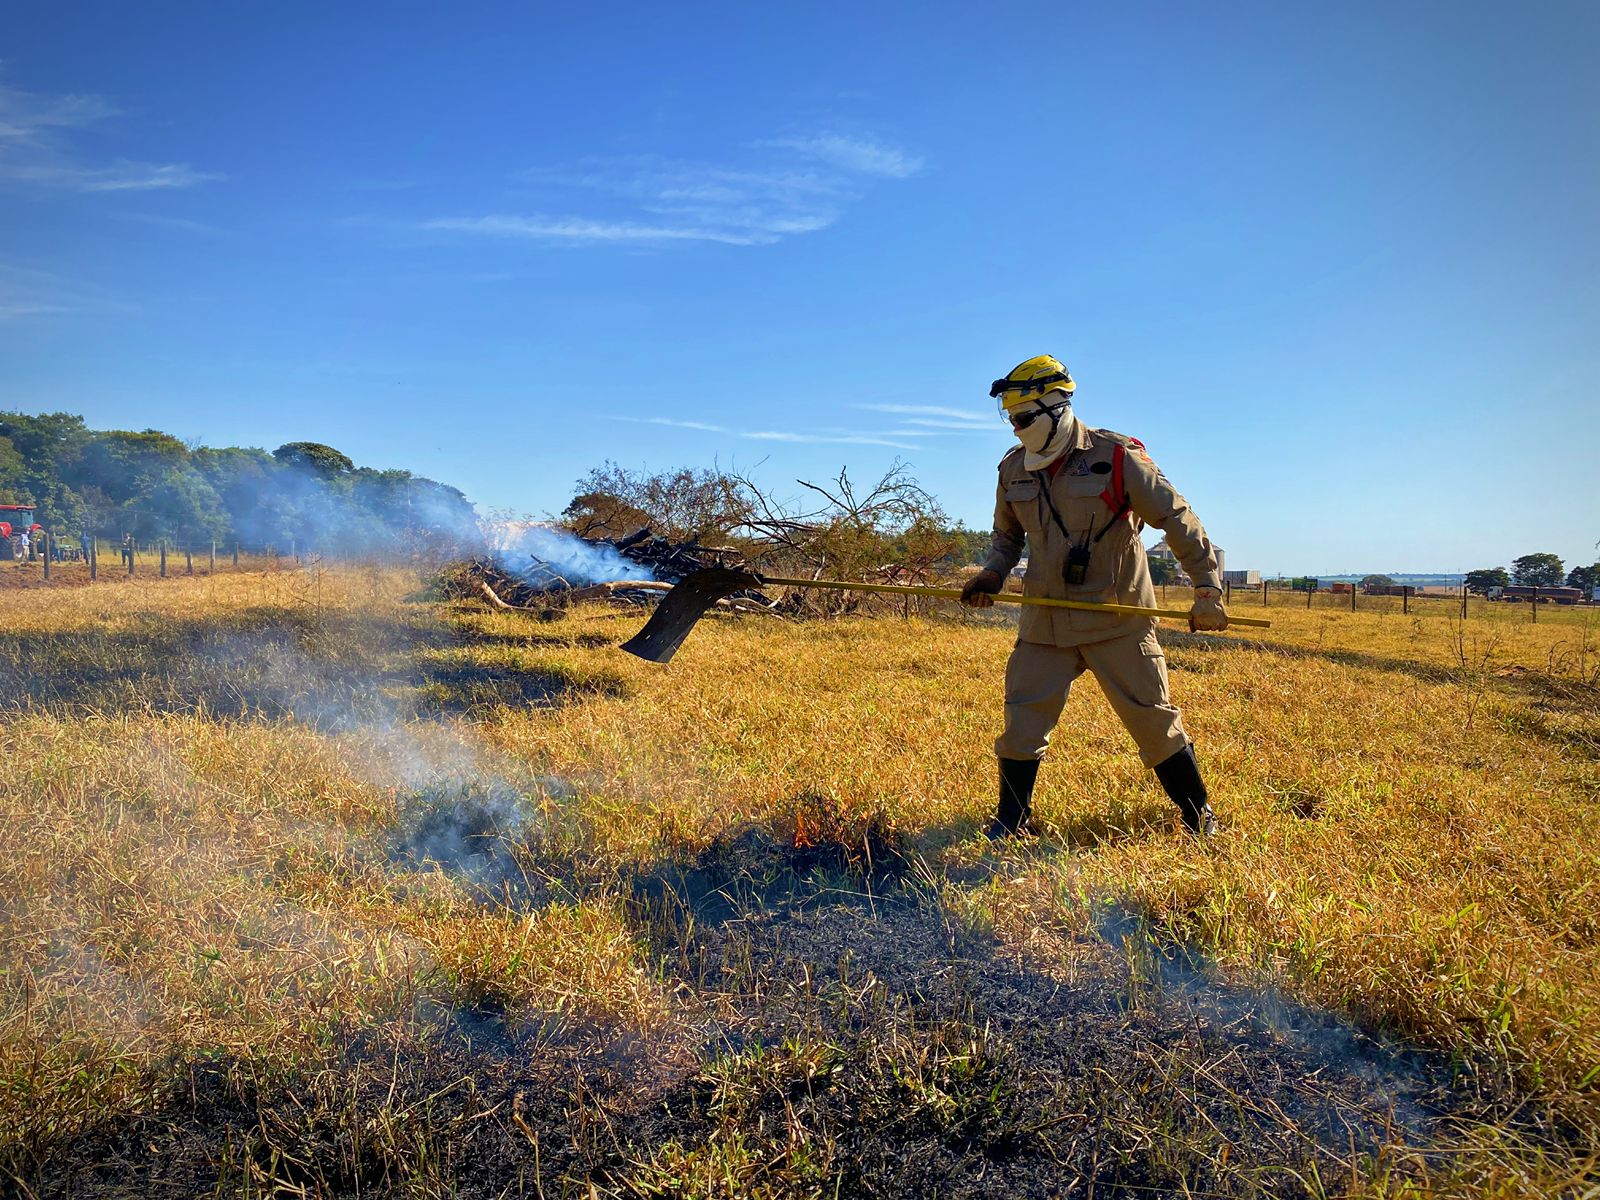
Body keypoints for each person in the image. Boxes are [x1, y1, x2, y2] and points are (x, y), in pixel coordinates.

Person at [960, 355, 1229, 838]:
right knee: (1022, 720)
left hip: (1116, 618)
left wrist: (1206, 586)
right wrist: (992, 575)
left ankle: (1198, 815)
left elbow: (1177, 518)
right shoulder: (1013, 468)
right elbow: (1007, 540)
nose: (1017, 430)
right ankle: (1012, 819)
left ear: (1055, 408)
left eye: (1023, 418)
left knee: (1153, 721)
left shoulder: (1117, 457)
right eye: (1011, 420)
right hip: (1046, 619)